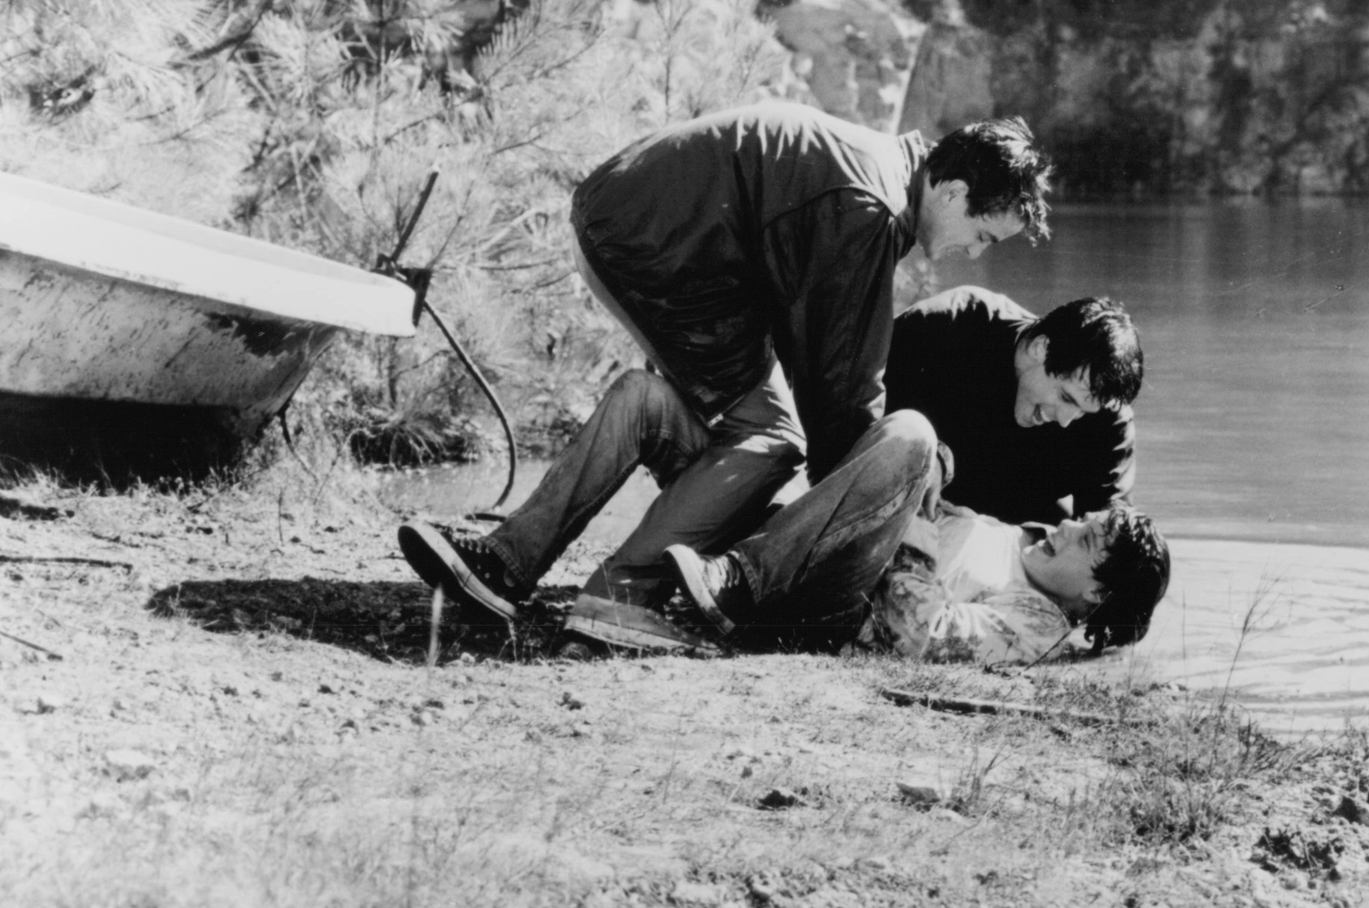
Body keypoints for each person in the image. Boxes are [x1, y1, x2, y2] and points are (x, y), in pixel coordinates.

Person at [397, 101, 1052, 651]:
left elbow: (819, 356)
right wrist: (882, 492)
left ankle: (503, 563)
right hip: (661, 247)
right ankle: (624, 594)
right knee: (773, 437)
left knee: (655, 403)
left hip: (630, 218)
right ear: (953, 191)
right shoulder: (873, 207)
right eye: (984, 235)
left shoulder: (879, 173)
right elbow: (842, 393)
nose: (974, 253)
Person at [666, 409, 1171, 667]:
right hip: (825, 548)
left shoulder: (1039, 624)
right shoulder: (1015, 538)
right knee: (658, 409)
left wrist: (916, 531)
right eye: (1083, 520)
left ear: (1097, 593)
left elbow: (924, 634)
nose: (1067, 524)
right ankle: (630, 581)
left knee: (913, 431)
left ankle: (738, 586)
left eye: (1085, 539)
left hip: (832, 605)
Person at [886, 287, 1140, 524]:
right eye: (1066, 398)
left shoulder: (1109, 418)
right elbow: (861, 421)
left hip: (1016, 536)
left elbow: (1106, 537)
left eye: (1084, 412)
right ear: (1041, 348)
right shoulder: (945, 326)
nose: (1066, 420)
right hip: (908, 506)